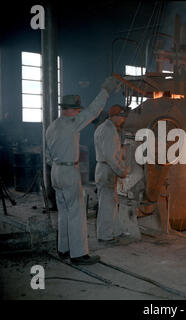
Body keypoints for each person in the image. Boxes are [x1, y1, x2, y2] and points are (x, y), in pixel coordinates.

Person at [46, 76, 120, 265]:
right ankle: (79, 254)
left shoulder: (52, 126)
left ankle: (64, 249)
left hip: (55, 171)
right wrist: (105, 90)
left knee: (64, 212)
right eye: (77, 109)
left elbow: (46, 155)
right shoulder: (71, 124)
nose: (79, 111)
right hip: (69, 171)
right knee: (77, 212)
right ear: (72, 109)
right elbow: (93, 111)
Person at [94, 105, 129, 242]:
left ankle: (115, 230)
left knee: (112, 202)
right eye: (121, 117)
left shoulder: (104, 128)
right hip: (107, 169)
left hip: (105, 169)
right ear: (114, 116)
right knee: (107, 204)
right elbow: (110, 156)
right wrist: (121, 171)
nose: (123, 120)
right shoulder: (108, 130)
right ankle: (105, 236)